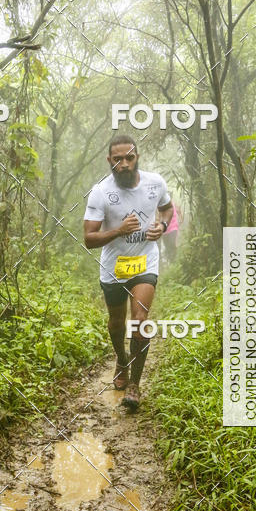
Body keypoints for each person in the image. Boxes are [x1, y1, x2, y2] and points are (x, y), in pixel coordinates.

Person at [83, 136, 173, 410]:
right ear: (109, 161)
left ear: (137, 158)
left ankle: (134, 384)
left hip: (145, 262)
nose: (123, 164)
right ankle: (121, 359)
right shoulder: (100, 191)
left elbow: (167, 209)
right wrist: (118, 231)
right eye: (117, 159)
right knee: (116, 324)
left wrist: (163, 226)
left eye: (129, 158)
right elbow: (89, 238)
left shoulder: (155, 183)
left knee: (140, 321)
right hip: (114, 267)